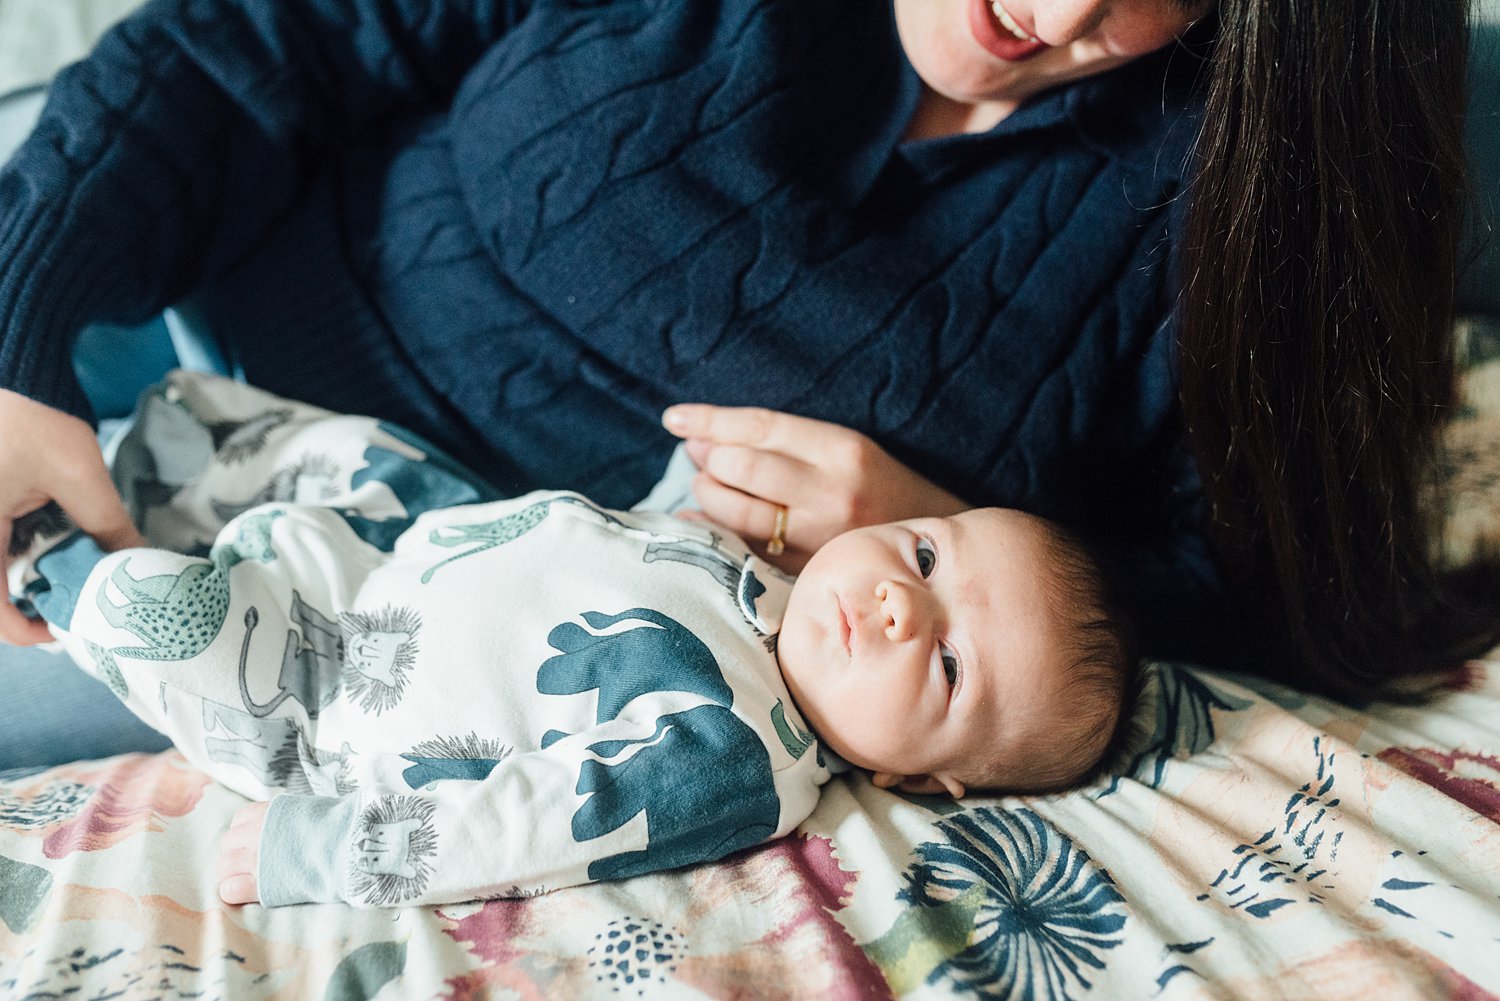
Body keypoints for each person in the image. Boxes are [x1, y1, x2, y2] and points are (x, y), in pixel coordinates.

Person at [0, 0, 1491, 773]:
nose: (1051, 10)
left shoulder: (1244, 202)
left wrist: (961, 530)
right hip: (171, 393)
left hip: (404, 661)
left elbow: (1275, 594)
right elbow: (246, 53)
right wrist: (15, 343)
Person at [9, 373, 1134, 907]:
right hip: (386, 562)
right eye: (928, 557)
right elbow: (612, 544)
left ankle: (49, 562)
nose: (900, 604)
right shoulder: (764, 574)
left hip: (337, 700)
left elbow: (536, 824)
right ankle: (117, 467)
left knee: (159, 607)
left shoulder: (743, 756)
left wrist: (329, 849)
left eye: (944, 663)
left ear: (907, 774)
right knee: (301, 443)